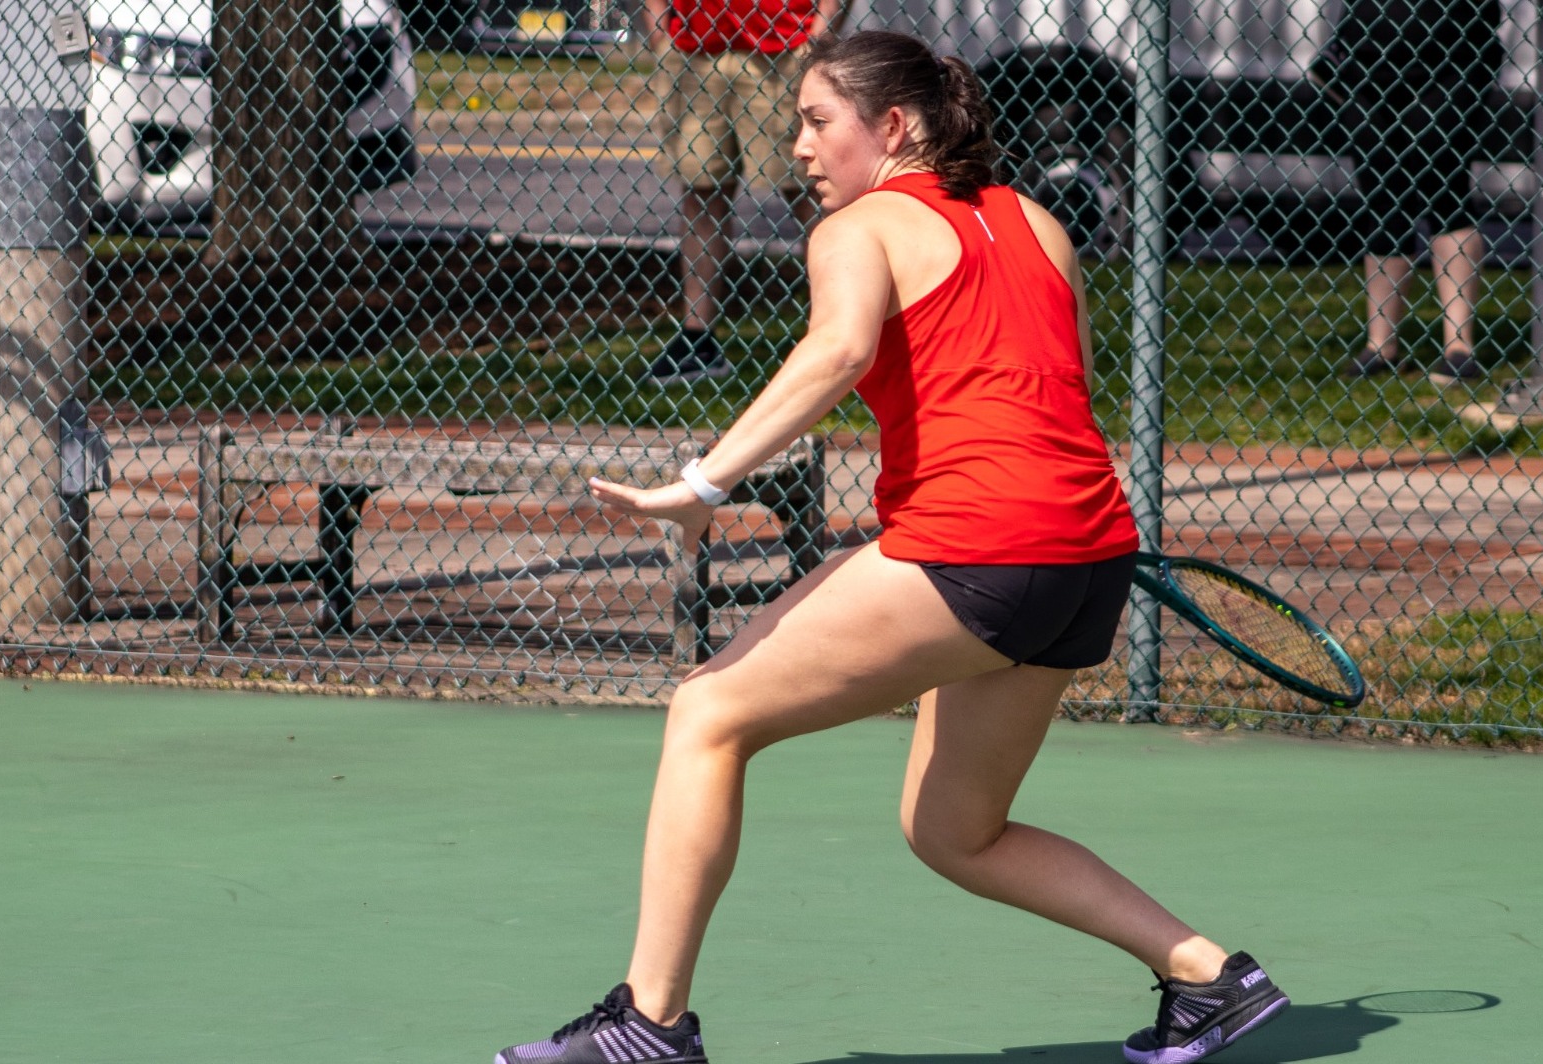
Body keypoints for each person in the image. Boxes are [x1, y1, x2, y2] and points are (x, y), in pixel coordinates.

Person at [491, 30, 1289, 1064]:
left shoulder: (859, 228)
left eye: (819, 122)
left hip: (980, 544)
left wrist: (701, 484)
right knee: (954, 829)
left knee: (707, 710)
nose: (801, 148)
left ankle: (646, 1025)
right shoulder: (1038, 222)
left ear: (894, 127)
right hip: (1087, 559)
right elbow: (1065, 386)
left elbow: (838, 349)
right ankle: (1208, 977)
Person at [640, 0, 837, 383]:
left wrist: (820, 32)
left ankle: (839, 329)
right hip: (693, 44)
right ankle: (698, 341)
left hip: (783, 42)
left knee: (809, 190)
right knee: (701, 189)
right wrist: (659, 27)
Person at [1311, 0, 1506, 383]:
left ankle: (1458, 346)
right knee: (1382, 196)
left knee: (1445, 186)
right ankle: (1380, 345)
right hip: (1365, 58)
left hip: (1452, 55)